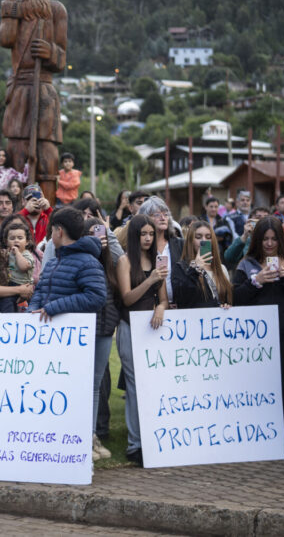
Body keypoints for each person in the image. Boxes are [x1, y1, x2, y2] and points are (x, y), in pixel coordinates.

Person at [232, 216, 284, 460]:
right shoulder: (246, 265)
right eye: (265, 239)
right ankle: (262, 439)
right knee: (260, 387)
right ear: (257, 240)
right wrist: (256, 282)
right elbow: (235, 298)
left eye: (274, 239)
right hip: (257, 338)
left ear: (281, 239)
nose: (269, 244)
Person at [0, 0, 67, 205]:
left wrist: (51, 52)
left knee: (47, 157)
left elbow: (62, 58)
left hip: (44, 89)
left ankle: (46, 212)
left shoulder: (56, 11)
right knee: (16, 155)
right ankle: (17, 212)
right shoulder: (15, 11)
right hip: (19, 89)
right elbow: (5, 39)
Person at [113, 214, 168, 464]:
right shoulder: (125, 261)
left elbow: (164, 298)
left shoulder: (157, 261)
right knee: (134, 386)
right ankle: (135, 444)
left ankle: (152, 437)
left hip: (151, 329)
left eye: (151, 234)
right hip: (129, 326)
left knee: (151, 385)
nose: (147, 238)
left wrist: (161, 308)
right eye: (143, 234)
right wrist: (151, 280)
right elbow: (127, 298)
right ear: (135, 236)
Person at [84, 217, 120, 461]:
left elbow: (122, 257)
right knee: (83, 384)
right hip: (84, 328)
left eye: (101, 233)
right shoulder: (81, 260)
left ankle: (91, 435)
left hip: (105, 328)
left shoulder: (111, 261)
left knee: (96, 384)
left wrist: (110, 236)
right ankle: (81, 437)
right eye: (92, 233)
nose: (98, 237)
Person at [171, 220, 233, 308]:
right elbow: (182, 298)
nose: (204, 241)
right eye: (198, 237)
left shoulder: (221, 269)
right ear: (191, 241)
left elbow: (228, 299)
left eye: (208, 237)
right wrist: (195, 269)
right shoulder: (180, 268)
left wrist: (226, 305)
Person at [138, 197, 182, 308]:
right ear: (145, 219)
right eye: (157, 215)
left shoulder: (181, 244)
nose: (163, 218)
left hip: (180, 308)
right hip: (152, 309)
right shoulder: (142, 248)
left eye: (165, 214)